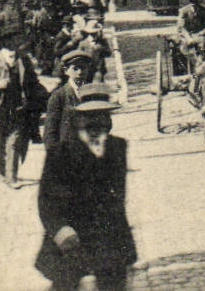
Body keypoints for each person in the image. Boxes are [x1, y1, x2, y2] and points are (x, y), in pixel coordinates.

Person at [34, 84, 136, 291]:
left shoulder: (118, 147)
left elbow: (118, 196)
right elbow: (46, 201)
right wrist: (61, 231)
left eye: (104, 116)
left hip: (109, 238)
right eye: (91, 117)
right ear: (79, 118)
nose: (98, 124)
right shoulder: (60, 154)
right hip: (71, 239)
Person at [0, 22, 46, 188]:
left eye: (18, 40)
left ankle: (11, 177)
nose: (17, 43)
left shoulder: (23, 61)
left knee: (14, 142)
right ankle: (3, 171)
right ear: (5, 42)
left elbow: (33, 82)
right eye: (13, 40)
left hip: (18, 108)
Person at [44, 49, 94, 153]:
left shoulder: (93, 94)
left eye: (83, 68)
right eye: (75, 68)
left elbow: (106, 124)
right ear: (66, 70)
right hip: (67, 153)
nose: (80, 72)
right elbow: (50, 132)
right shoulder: (58, 96)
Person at [175, 0, 205, 73]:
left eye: (196, 3)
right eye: (193, 3)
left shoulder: (203, 10)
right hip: (186, 36)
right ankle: (189, 68)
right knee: (184, 48)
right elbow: (181, 27)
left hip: (199, 35)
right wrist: (188, 38)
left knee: (202, 44)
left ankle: (199, 66)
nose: (194, 5)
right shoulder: (184, 11)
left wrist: (202, 33)